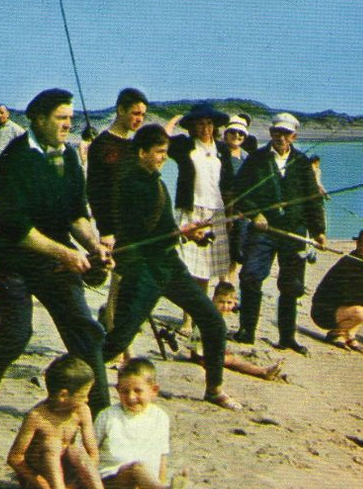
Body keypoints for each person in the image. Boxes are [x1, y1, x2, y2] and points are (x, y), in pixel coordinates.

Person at [0, 88, 112, 423]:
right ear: (38, 119)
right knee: (16, 333)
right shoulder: (13, 159)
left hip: (54, 261)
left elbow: (76, 214)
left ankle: (101, 414)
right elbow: (17, 227)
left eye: (70, 118)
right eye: (61, 118)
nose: (68, 124)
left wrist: (94, 246)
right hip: (13, 260)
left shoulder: (69, 156)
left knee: (83, 331)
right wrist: (66, 253)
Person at [101, 123, 239, 410]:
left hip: (169, 265)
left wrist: (190, 233)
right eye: (159, 152)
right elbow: (141, 231)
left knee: (212, 321)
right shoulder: (130, 183)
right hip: (143, 269)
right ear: (142, 152)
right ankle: (75, 374)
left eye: (165, 152)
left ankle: (214, 389)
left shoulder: (155, 180)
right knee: (120, 337)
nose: (164, 157)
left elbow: (164, 226)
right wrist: (182, 232)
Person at [231, 112, 326, 353]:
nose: (281, 137)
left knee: (291, 285)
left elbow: (313, 200)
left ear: (294, 136)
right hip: (263, 231)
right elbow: (238, 194)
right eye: (277, 132)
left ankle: (287, 338)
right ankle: (247, 331)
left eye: (286, 134)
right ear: (271, 133)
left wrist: (319, 231)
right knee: (251, 276)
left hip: (293, 232)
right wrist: (255, 214)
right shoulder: (256, 159)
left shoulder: (303, 163)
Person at [6, 355, 120, 489]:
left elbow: (93, 454)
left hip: (68, 479)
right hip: (40, 481)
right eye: (83, 395)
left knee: (76, 450)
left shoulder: (81, 411)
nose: (87, 400)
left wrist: (75, 484)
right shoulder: (37, 417)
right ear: (63, 395)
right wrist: (40, 482)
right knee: (52, 445)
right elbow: (15, 457)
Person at [94, 359, 185, 489]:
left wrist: (158, 487)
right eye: (125, 391)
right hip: (111, 483)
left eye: (138, 391)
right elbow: (90, 453)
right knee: (137, 469)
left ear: (154, 391)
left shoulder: (160, 418)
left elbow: (161, 456)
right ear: (117, 390)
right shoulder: (108, 416)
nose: (131, 397)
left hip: (144, 487)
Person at [85, 87, 149, 328]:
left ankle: (114, 325)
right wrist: (106, 231)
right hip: (114, 228)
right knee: (118, 284)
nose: (139, 119)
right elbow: (95, 193)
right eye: (135, 113)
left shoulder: (134, 145)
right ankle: (114, 336)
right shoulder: (102, 144)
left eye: (142, 115)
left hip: (134, 225)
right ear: (120, 110)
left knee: (130, 283)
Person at [169, 102, 234, 299]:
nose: (205, 129)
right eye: (199, 124)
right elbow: (161, 141)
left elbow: (229, 185)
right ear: (192, 127)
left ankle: (197, 317)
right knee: (188, 268)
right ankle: (187, 319)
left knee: (205, 269)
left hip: (215, 212)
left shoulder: (222, 149)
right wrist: (174, 120)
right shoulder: (184, 146)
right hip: (191, 210)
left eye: (209, 123)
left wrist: (230, 214)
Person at [309, 228, 363, 352]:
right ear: (358, 244)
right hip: (324, 310)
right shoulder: (349, 263)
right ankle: (336, 334)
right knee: (362, 311)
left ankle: (349, 335)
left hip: (342, 309)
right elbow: (347, 294)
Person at [220, 115, 253, 277]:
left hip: (240, 212)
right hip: (219, 208)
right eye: (233, 132)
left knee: (235, 253)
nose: (237, 136)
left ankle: (227, 287)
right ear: (225, 133)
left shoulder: (248, 158)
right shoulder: (217, 152)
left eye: (241, 133)